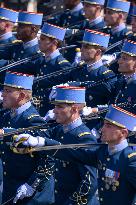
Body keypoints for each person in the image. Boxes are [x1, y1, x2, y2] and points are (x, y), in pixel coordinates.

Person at [17, 104, 136, 205]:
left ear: (123, 133)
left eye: (109, 126)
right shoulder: (103, 152)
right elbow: (71, 152)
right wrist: (42, 142)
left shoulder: (130, 160)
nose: (102, 129)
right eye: (104, 124)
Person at [15, 86, 99, 205]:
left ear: (74, 109)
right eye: (55, 106)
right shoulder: (59, 130)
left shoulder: (84, 138)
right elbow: (34, 134)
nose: (54, 111)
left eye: (59, 106)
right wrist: (6, 133)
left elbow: (89, 182)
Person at [0, 71, 55, 205]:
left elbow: (49, 157)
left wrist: (32, 184)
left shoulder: (33, 121)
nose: (3, 95)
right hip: (11, 187)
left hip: (32, 195)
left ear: (22, 95)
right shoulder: (7, 116)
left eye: (8, 91)